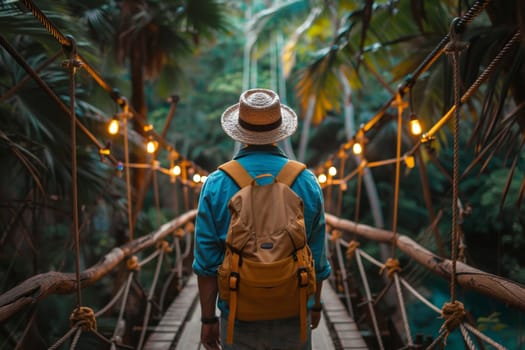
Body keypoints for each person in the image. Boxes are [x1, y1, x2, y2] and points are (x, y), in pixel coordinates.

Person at [192, 88, 331, 350]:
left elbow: (206, 262)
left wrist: (208, 318)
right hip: (294, 309)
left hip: (237, 313)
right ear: (280, 130)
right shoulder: (307, 182)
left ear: (239, 131)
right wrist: (315, 305)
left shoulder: (216, 184)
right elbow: (317, 254)